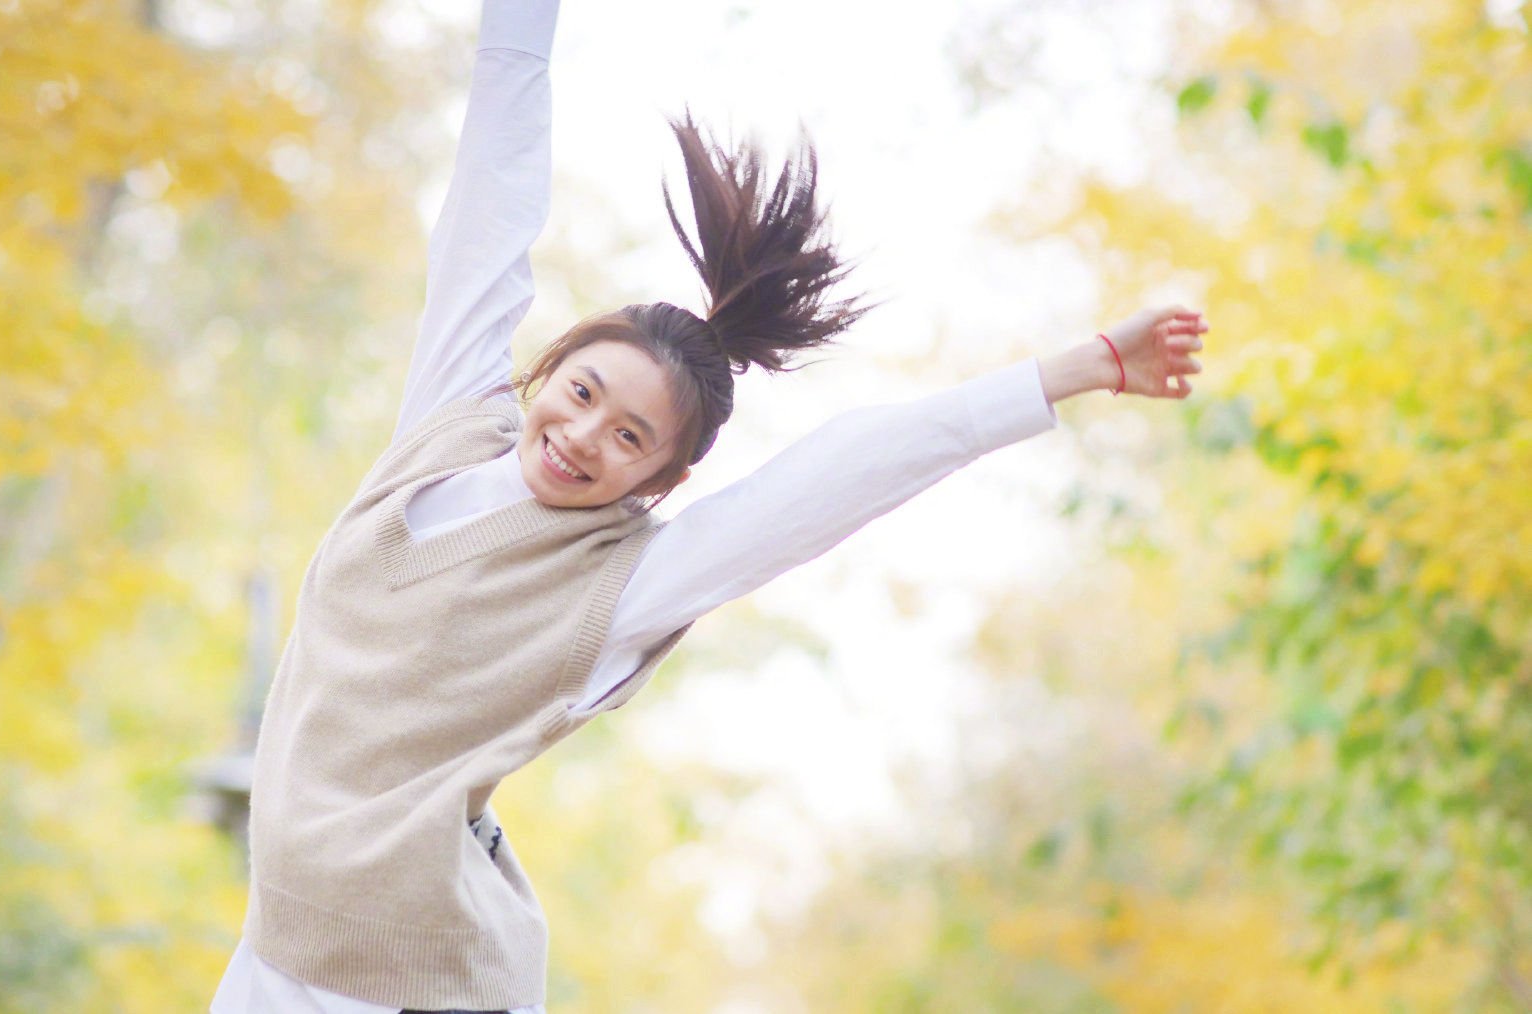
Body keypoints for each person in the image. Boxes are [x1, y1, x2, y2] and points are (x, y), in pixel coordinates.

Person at [210, 0, 1207, 1010]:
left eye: (632, 439)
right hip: (271, 955)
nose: (585, 435)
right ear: (548, 369)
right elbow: (489, 207)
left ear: (661, 482)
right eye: (584, 391)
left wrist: (1073, 370)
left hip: (411, 987)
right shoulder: (441, 432)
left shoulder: (622, 581)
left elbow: (835, 475)